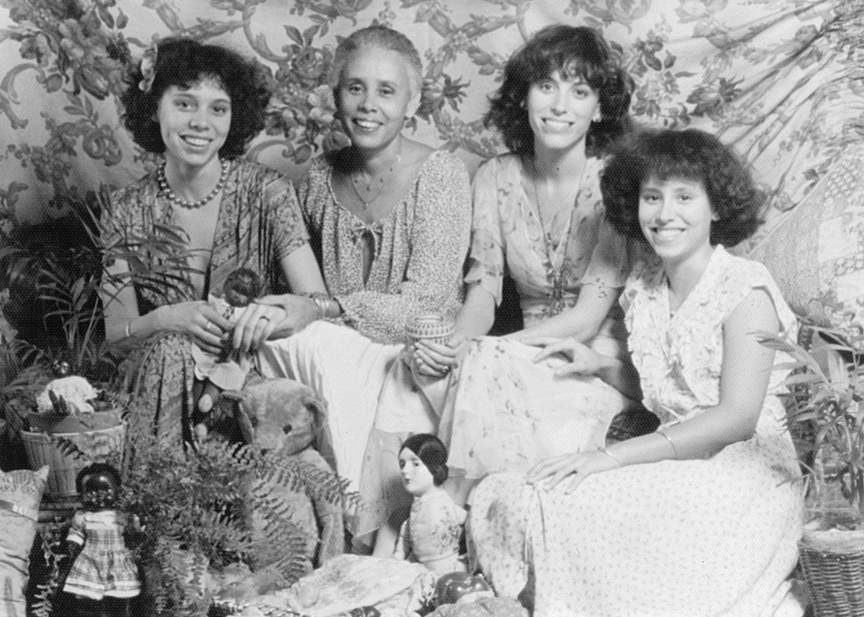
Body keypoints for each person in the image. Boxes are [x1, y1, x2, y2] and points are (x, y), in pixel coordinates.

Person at [468, 128, 804, 616]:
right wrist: (601, 365)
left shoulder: (745, 290)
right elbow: (668, 392)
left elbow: (735, 418)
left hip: (744, 475)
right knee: (520, 492)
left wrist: (612, 458)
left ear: (715, 208)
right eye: (652, 197)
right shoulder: (646, 286)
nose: (665, 214)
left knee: (582, 500)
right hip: (678, 459)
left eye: (684, 197)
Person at [360, 24, 638, 554]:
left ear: (599, 110)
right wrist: (460, 343)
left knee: (482, 367)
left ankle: (448, 532)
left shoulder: (615, 183)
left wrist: (489, 351)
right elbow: (483, 290)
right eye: (546, 87)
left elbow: (588, 314)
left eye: (580, 92)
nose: (560, 106)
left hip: (590, 358)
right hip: (516, 357)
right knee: (413, 363)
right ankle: (389, 538)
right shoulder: (494, 176)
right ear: (524, 96)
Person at [256, 25, 472, 503]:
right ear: (337, 98)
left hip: (414, 358)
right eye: (356, 88)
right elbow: (296, 286)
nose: (368, 104)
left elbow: (425, 305)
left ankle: (357, 513)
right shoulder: (317, 176)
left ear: (411, 104)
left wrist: (326, 308)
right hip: (334, 353)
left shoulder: (441, 175)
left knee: (324, 346)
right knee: (281, 342)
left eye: (386, 91)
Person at [100, 38, 328, 450]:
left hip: (246, 388)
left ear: (233, 116)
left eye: (217, 108)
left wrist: (275, 314)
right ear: (154, 108)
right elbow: (115, 336)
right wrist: (167, 318)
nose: (201, 122)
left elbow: (317, 303)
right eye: (185, 104)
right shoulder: (125, 209)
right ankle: (160, 481)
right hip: (157, 391)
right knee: (170, 348)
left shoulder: (268, 192)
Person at [62, 463, 141, 612]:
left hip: (118, 562)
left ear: (118, 491)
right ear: (81, 495)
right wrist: (73, 544)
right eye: (90, 493)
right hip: (91, 561)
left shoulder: (122, 516)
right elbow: (77, 533)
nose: (99, 496)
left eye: (106, 490)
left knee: (119, 596)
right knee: (90, 598)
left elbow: (133, 535)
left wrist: (136, 530)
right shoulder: (83, 517)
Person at [393, 434, 467, 575]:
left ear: (434, 468)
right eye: (402, 464)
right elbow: (406, 540)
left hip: (453, 572)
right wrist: (396, 560)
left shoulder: (446, 506)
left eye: (415, 464)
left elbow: (470, 523)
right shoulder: (412, 516)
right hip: (426, 575)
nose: (404, 470)